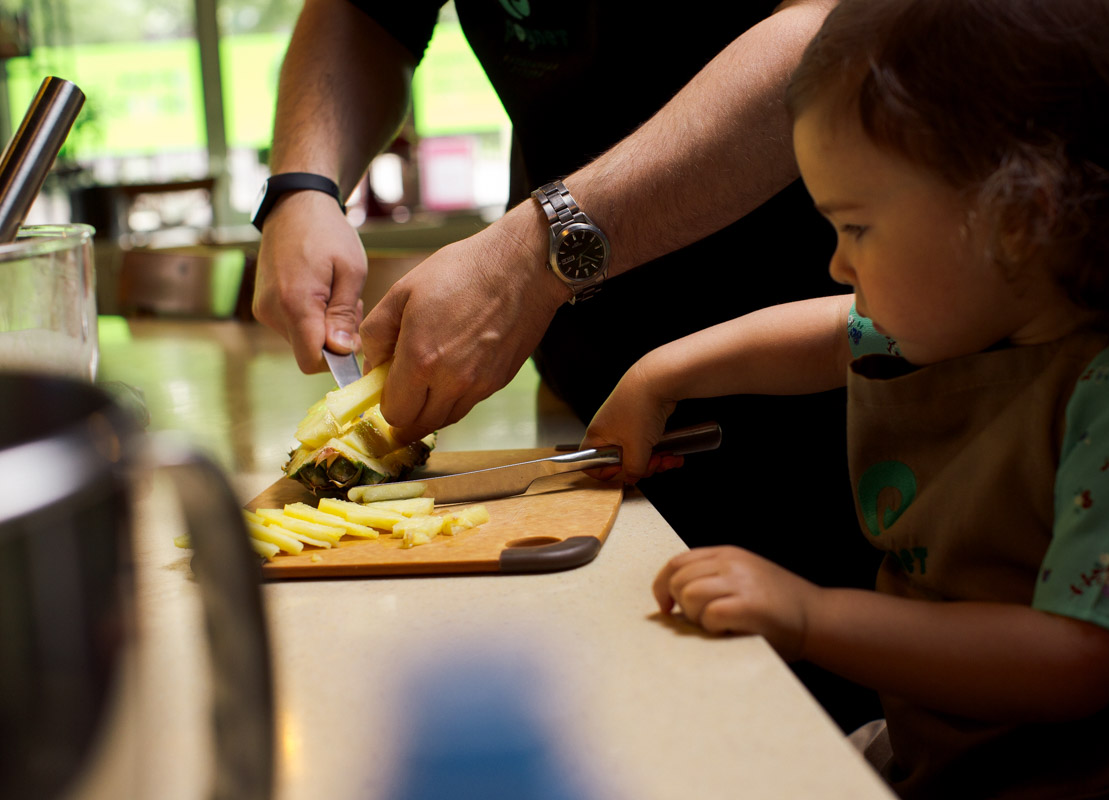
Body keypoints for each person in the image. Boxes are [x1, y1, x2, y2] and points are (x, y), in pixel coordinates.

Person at [580, 0, 1109, 796]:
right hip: (946, 756)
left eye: (856, 227)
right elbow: (832, 331)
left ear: (1018, 217)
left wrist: (810, 617)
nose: (839, 265)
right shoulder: (978, 313)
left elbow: (1074, 661)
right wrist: (659, 376)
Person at [252, 0, 884, 731]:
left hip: (832, 387)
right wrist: (301, 185)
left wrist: (533, 255)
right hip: (590, 409)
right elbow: (367, 11)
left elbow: (826, 32)